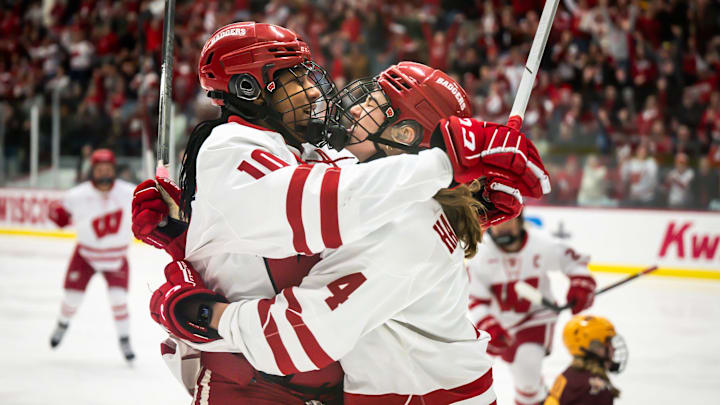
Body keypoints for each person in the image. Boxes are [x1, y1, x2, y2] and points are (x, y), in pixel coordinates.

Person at [132, 22, 547, 403]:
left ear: (403, 135)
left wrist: (203, 313)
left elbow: (297, 336)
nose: (323, 92)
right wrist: (195, 233)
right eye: (298, 79)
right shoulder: (373, 180)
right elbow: (315, 203)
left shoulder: (404, 223)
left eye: (375, 101)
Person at [466, 213, 596, 405]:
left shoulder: (541, 243)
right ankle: (539, 396)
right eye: (497, 223)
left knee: (527, 365)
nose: (502, 227)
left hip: (538, 317)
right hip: (503, 324)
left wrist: (581, 283)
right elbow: (477, 299)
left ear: (518, 220)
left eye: (506, 220)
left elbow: (574, 262)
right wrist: (489, 326)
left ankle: (533, 399)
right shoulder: (481, 255)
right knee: (522, 374)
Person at [47, 148, 136, 362]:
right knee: (72, 298)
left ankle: (124, 340)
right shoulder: (78, 195)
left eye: (107, 168)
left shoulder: (129, 192)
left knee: (119, 299)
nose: (104, 173)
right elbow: (59, 216)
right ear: (92, 171)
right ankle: (62, 323)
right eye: (99, 169)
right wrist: (56, 214)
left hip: (115, 257)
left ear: (114, 169)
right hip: (85, 255)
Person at [544, 315, 627, 405]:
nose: (613, 349)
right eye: (608, 343)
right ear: (595, 347)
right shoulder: (595, 389)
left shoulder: (568, 375)